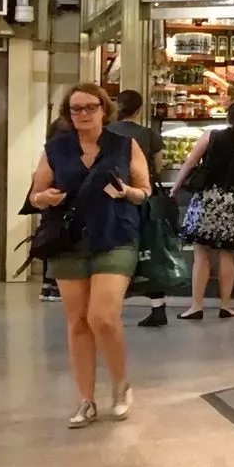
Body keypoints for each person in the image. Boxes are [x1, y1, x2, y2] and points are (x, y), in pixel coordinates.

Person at [28, 84, 152, 427]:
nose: (83, 114)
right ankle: (86, 400)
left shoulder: (124, 145)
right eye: (76, 109)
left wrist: (126, 191)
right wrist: (44, 198)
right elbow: (35, 193)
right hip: (68, 243)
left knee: (103, 316)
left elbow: (145, 192)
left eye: (89, 107)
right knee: (78, 321)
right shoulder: (56, 149)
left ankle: (121, 384)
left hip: (115, 236)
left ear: (104, 110)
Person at [168, 100, 234, 319]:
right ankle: (226, 304)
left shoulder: (211, 136)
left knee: (201, 253)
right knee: (226, 252)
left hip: (207, 196)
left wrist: (176, 187)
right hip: (233, 197)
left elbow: (190, 163)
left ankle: (196, 305)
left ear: (227, 117)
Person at [112, 90, 169, 326]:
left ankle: (112, 306)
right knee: (149, 250)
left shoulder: (107, 132)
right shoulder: (148, 134)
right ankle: (158, 308)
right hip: (145, 200)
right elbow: (159, 165)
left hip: (114, 199)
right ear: (139, 110)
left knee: (115, 250)